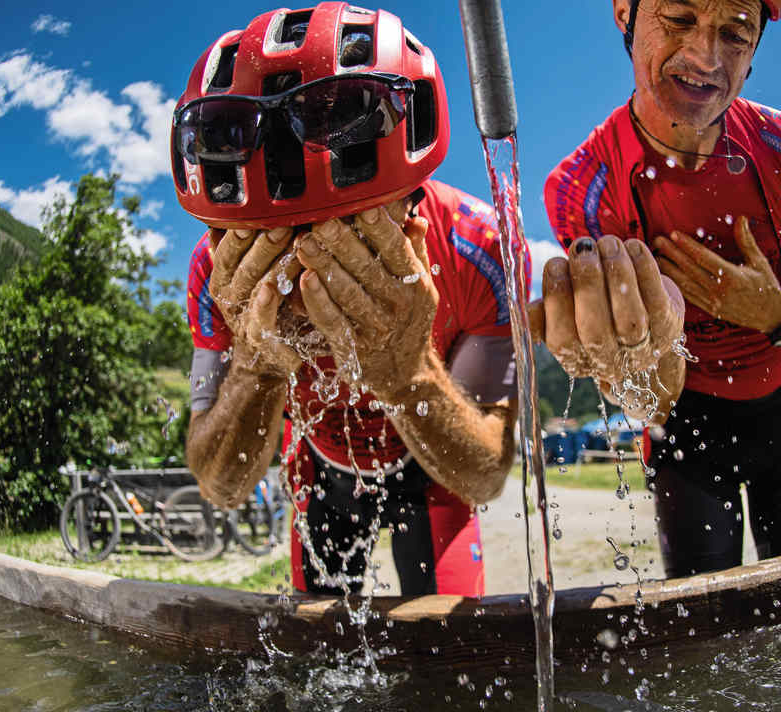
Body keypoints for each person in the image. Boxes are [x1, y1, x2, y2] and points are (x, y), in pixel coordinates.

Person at [175, 3, 523, 597]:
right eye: (275, 241)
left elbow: (485, 473)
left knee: (450, 658)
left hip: (430, 475)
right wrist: (258, 364)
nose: (312, 271)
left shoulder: (480, 246)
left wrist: (409, 375)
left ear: (411, 209)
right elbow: (221, 485)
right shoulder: (216, 270)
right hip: (321, 466)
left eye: (351, 235)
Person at [540, 0, 781, 578]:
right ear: (625, 13)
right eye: (677, 17)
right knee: (705, 642)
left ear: (753, 55)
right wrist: (654, 348)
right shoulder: (586, 188)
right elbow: (649, 395)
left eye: (736, 33)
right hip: (687, 430)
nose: (705, 57)